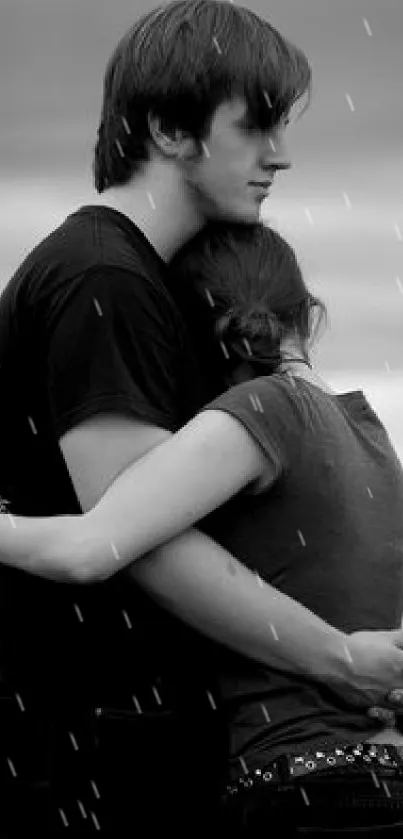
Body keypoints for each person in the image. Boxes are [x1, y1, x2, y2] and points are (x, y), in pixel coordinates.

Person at [0, 1, 402, 834]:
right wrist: (340, 658)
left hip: (125, 735)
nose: (280, 157)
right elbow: (135, 539)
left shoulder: (136, 281)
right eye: (254, 126)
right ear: (167, 128)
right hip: (83, 740)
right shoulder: (102, 278)